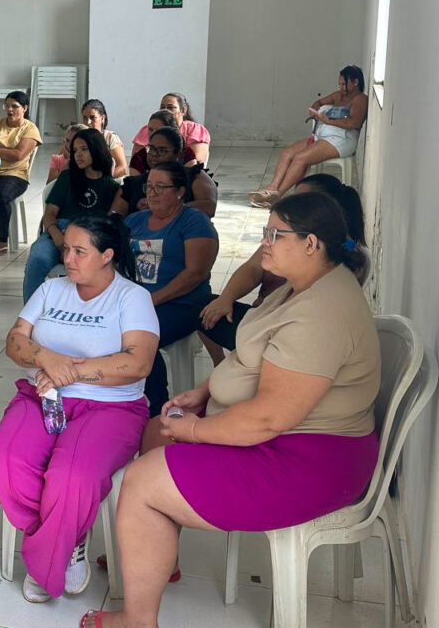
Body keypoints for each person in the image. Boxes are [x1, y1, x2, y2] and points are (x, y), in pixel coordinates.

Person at [80, 193, 380, 628]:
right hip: (283, 439)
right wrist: (204, 392)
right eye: (265, 232)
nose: (264, 244)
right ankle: (157, 554)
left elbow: (269, 418)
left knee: (141, 481)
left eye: (275, 234)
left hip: (306, 461)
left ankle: (137, 619)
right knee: (156, 431)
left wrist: (196, 430)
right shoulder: (301, 286)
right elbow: (251, 360)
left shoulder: (322, 313)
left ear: (311, 244)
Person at [0, 214, 159, 603]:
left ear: (107, 255)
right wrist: (45, 357)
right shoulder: (51, 289)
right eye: (67, 249)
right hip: (42, 396)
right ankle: (67, 535)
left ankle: (49, 559)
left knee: (71, 476)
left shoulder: (131, 297)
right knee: (5, 459)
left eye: (80, 251)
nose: (68, 259)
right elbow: (15, 341)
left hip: (111, 407)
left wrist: (71, 371)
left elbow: (138, 362)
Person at [199, 174, 366, 365]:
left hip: (279, 329)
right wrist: (226, 298)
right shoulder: (288, 243)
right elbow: (252, 267)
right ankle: (219, 363)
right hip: (264, 320)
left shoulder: (335, 263)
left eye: (301, 201)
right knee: (199, 306)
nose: (265, 241)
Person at [126, 163, 218, 417]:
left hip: (183, 304)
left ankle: (158, 410)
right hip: (140, 302)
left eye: (160, 187)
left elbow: (195, 274)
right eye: (149, 187)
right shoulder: (135, 220)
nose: (152, 193)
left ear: (179, 192)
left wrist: (151, 300)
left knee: (141, 338)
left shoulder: (193, 222)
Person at [22, 129, 123, 302]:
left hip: (89, 238)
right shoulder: (67, 177)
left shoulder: (111, 187)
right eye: (75, 150)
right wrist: (59, 240)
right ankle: (31, 312)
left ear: (97, 149)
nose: (78, 155)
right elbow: (49, 214)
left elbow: (108, 225)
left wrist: (76, 246)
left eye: (84, 149)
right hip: (59, 231)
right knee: (37, 259)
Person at [250, 65, 368, 207]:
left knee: (300, 158)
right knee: (287, 153)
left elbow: (353, 123)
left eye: (344, 84)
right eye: (339, 84)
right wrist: (315, 110)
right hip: (323, 136)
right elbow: (319, 102)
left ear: (355, 82)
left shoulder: (360, 99)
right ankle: (272, 188)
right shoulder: (338, 96)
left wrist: (328, 121)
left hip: (342, 139)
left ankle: (277, 196)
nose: (341, 88)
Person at [0, 90, 42, 257]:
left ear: (24, 108)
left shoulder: (30, 129)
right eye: (7, 106)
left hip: (16, 175)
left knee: (0, 196)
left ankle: (3, 239)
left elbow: (18, 155)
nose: (10, 110)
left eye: (15, 106)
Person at [118, 127, 218, 218]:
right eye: (151, 149)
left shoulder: (195, 176)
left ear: (179, 154)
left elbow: (209, 207)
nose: (154, 154)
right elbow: (115, 215)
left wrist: (166, 208)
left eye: (162, 151)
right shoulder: (133, 184)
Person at [130, 93, 210, 167]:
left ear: (183, 110)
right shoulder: (148, 128)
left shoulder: (195, 129)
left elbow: (195, 162)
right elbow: (136, 162)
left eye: (171, 107)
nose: (165, 110)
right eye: (162, 107)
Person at [129, 111, 198, 175]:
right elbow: (135, 182)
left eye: (159, 130)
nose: (153, 133)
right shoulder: (139, 158)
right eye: (150, 129)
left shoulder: (186, 153)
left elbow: (192, 178)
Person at [80, 99, 128, 179]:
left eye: (92, 118)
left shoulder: (110, 137)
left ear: (102, 118)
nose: (88, 122)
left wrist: (103, 180)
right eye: (85, 118)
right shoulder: (79, 139)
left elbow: (122, 167)